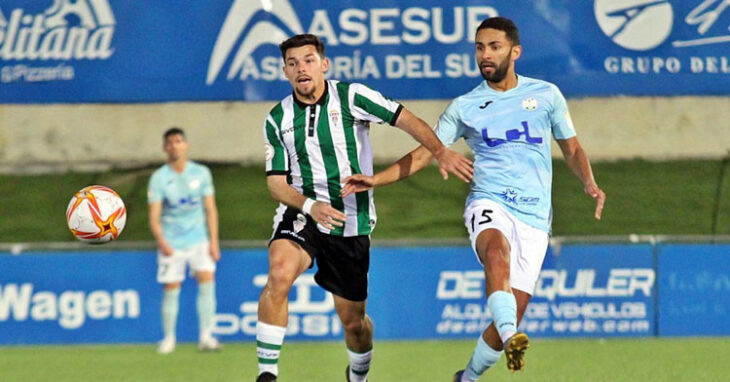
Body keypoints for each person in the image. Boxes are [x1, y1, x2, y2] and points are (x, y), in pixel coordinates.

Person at [341, 17, 606, 381]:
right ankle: (514, 336)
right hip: (488, 201)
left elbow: (571, 148)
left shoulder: (546, 95)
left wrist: (589, 183)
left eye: (494, 47)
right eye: (479, 47)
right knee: (496, 254)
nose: (485, 55)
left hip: (535, 217)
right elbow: (423, 153)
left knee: (509, 313)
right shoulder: (465, 106)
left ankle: (467, 377)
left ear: (515, 52)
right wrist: (376, 179)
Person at [256, 34, 473, 382]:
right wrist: (311, 206)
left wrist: (440, 150)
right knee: (279, 273)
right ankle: (267, 374)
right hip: (303, 210)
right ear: (284, 71)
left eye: (308, 60)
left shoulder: (352, 96)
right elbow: (276, 184)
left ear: (324, 65)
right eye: (293, 63)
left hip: (350, 222)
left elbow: (407, 119)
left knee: (354, 324)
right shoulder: (277, 118)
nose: (301, 69)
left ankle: (358, 375)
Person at [148, 127, 222, 354]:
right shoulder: (159, 178)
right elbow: (154, 214)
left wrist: (214, 241)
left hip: (199, 238)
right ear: (164, 148)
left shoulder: (201, 173)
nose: (174, 146)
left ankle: (206, 337)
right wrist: (161, 240)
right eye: (170, 142)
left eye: (178, 141)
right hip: (172, 241)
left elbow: (210, 209)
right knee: (171, 287)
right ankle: (169, 338)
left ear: (186, 145)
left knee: (207, 281)